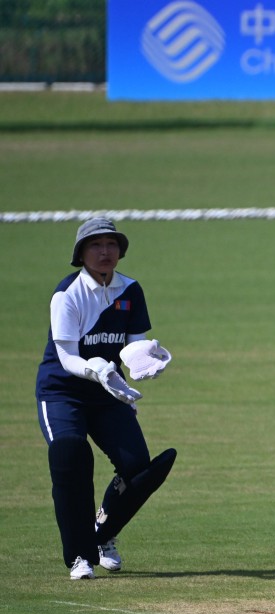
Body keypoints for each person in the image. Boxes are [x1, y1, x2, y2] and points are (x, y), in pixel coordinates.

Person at [35, 217, 177, 580]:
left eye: (111, 245)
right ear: (81, 253)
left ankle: (104, 533)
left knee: (138, 468)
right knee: (71, 458)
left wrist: (143, 357)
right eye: (96, 245)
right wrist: (99, 371)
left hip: (107, 390)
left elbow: (132, 344)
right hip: (63, 391)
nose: (105, 252)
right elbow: (66, 358)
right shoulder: (67, 294)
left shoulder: (131, 290)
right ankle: (80, 556)